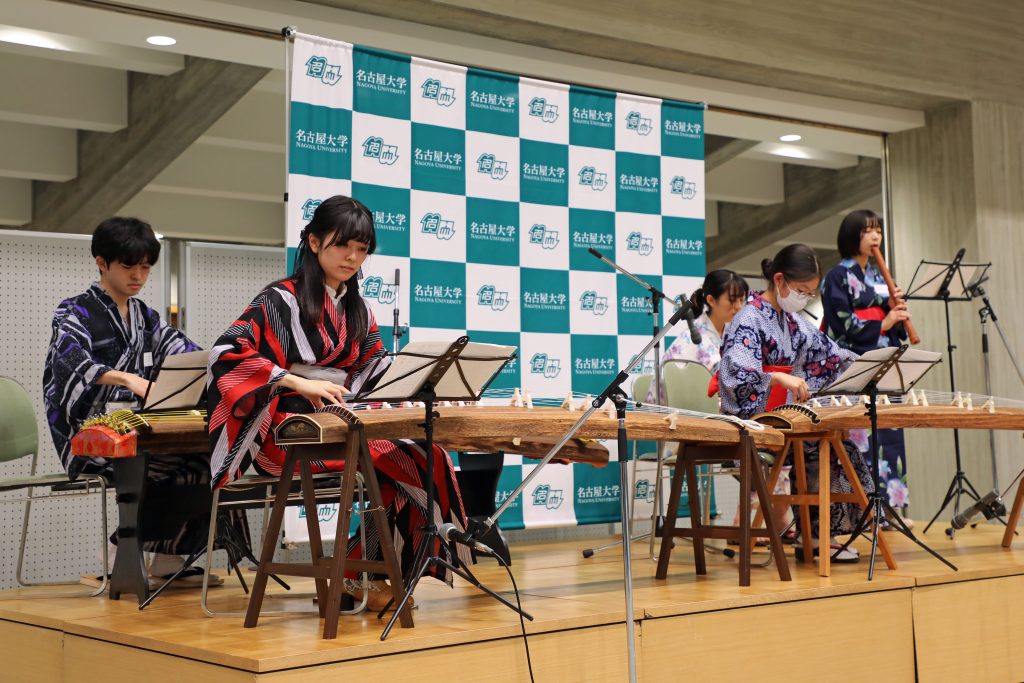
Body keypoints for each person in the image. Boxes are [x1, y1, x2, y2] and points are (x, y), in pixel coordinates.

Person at [206, 195, 470, 610]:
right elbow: (225, 354)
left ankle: (357, 574)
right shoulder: (278, 300)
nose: (352, 257)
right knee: (416, 462)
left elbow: (373, 370)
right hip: (286, 433)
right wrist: (296, 382)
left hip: (337, 425)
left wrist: (423, 382)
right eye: (342, 245)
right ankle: (355, 574)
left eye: (361, 249)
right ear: (313, 242)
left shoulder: (358, 309)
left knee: (426, 458)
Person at [43, 216, 221, 587]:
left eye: (145, 267)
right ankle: (118, 553)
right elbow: (71, 361)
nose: (138, 275)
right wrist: (126, 378)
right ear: (102, 262)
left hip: (137, 427)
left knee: (207, 459)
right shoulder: (74, 311)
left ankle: (170, 556)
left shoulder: (146, 318)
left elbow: (185, 353)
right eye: (128, 266)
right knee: (158, 462)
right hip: (88, 431)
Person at [718, 244, 874, 562]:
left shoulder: (794, 322)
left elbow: (831, 356)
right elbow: (733, 374)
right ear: (780, 280)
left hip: (787, 421)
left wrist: (871, 368)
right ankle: (815, 536)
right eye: (801, 291)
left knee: (831, 442)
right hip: (752, 421)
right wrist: (776, 378)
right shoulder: (748, 319)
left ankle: (817, 536)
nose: (803, 297)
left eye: (809, 292)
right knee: (819, 444)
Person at [821, 210, 912, 523]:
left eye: (877, 230)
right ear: (852, 236)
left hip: (884, 363)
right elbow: (841, 324)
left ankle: (889, 508)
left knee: (889, 435)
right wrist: (883, 320)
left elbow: (894, 329)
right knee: (861, 440)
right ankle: (861, 509)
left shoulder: (879, 276)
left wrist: (896, 314)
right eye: (867, 231)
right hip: (856, 365)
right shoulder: (837, 276)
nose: (875, 236)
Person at [645, 269, 749, 404]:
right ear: (711, 300)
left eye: (742, 300)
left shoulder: (733, 334)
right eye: (732, 300)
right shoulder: (692, 339)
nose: (738, 306)